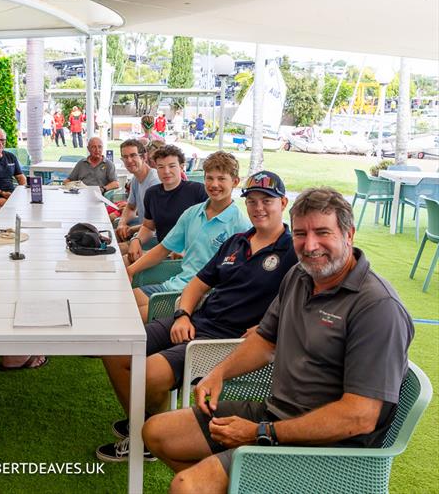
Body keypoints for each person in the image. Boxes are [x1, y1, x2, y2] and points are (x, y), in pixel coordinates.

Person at [143, 187, 415, 493]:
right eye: (300, 234)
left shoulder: (378, 308)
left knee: (188, 486)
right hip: (275, 414)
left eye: (322, 232)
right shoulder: (300, 277)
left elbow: (360, 416)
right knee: (157, 432)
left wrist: (262, 433)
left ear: (349, 234)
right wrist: (219, 373)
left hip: (329, 450)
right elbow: (264, 340)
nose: (310, 245)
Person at [97, 171, 297, 462]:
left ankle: (148, 436)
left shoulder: (293, 251)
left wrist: (270, 327)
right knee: (114, 348)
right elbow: (198, 284)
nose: (258, 207)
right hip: (197, 321)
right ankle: (140, 426)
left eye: (267, 200)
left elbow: (304, 300)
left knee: (149, 372)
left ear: (283, 203)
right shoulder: (237, 242)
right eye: (252, 201)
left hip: (227, 340)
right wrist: (182, 314)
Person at [128, 151, 250, 321]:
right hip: (173, 285)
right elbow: (164, 248)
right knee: (124, 300)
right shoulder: (192, 213)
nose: (214, 184)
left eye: (221, 179)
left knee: (131, 318)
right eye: (209, 178)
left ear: (235, 182)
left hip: (199, 299)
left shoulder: (242, 226)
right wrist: (131, 270)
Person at [126, 145, 208, 264]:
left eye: (172, 166)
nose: (166, 171)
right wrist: (136, 240)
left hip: (189, 257)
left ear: (181, 167)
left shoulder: (198, 191)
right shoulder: (152, 194)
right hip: (162, 253)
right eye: (161, 167)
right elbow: (149, 227)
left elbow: (209, 229)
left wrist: (188, 249)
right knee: (122, 263)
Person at [115, 139, 160, 245]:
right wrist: (121, 224)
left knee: (115, 250)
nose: (129, 160)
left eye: (133, 155)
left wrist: (131, 230)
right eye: (125, 157)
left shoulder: (154, 181)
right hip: (143, 232)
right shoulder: (135, 179)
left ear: (144, 157)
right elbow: (130, 207)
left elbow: (156, 222)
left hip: (155, 237)